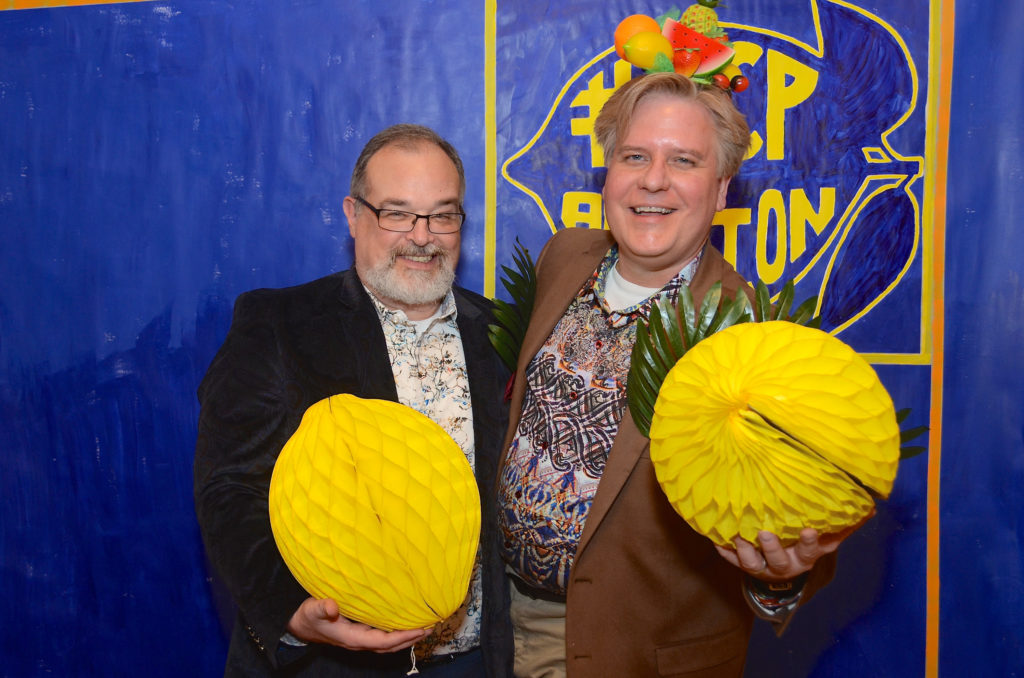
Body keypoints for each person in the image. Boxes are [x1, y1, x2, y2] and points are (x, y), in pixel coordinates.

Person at [497, 73, 856, 677]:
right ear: (608, 174)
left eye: (683, 161)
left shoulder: (752, 333)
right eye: (635, 156)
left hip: (632, 652)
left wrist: (780, 580)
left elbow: (800, 537)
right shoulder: (566, 256)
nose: (653, 180)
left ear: (720, 191)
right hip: (503, 626)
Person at [194, 124, 513, 677]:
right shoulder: (279, 324)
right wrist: (290, 612)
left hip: (475, 662)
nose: (423, 235)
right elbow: (229, 488)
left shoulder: (503, 334)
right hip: (329, 664)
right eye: (397, 213)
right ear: (352, 214)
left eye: (443, 214)